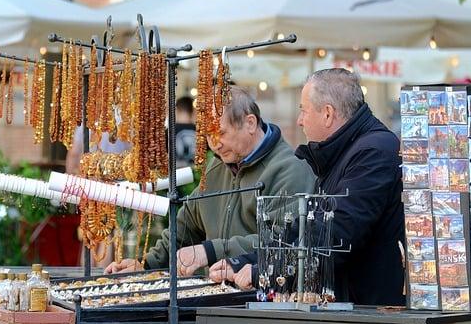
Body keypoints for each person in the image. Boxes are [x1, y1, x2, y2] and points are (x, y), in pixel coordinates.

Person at [213, 68, 405, 306]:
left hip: (377, 316)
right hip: (356, 312)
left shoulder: (373, 152)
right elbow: (304, 230)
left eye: (303, 110)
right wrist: (246, 261)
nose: (299, 120)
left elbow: (336, 234)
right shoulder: (343, 152)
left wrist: (265, 272)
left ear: (327, 114)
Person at [105, 86, 314, 274]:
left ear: (250, 123)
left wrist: (211, 250)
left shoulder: (290, 170)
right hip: (218, 297)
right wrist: (146, 265)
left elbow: (284, 241)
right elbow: (187, 224)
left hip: (262, 302)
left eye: (220, 133)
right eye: (207, 135)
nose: (215, 144)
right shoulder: (217, 165)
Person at [66, 126, 130, 268]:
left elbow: (74, 153)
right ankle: (103, 275)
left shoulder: (86, 121)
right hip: (115, 185)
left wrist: (72, 183)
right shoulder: (123, 120)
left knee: (90, 234)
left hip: (90, 183)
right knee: (109, 233)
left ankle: (88, 273)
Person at [173, 95, 196, 167]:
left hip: (176, 173)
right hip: (196, 173)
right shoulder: (200, 131)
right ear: (192, 110)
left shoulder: (170, 130)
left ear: (177, 110)